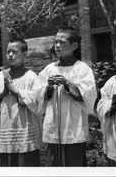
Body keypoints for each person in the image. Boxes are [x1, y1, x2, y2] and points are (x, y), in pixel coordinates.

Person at [35, 27, 97, 166]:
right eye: (56, 42)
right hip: (53, 124)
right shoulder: (50, 69)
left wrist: (67, 84)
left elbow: (88, 94)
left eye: (62, 42)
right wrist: (49, 87)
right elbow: (37, 92)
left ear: (74, 45)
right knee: (52, 163)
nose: (57, 46)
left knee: (74, 164)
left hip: (73, 126)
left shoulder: (82, 68)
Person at [0, 38, 42, 166]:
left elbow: (39, 104)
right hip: (7, 128)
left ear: (24, 54)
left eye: (14, 51)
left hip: (26, 131)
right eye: (8, 51)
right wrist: (2, 93)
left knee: (27, 167)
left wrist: (16, 92)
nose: (10, 55)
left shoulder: (31, 77)